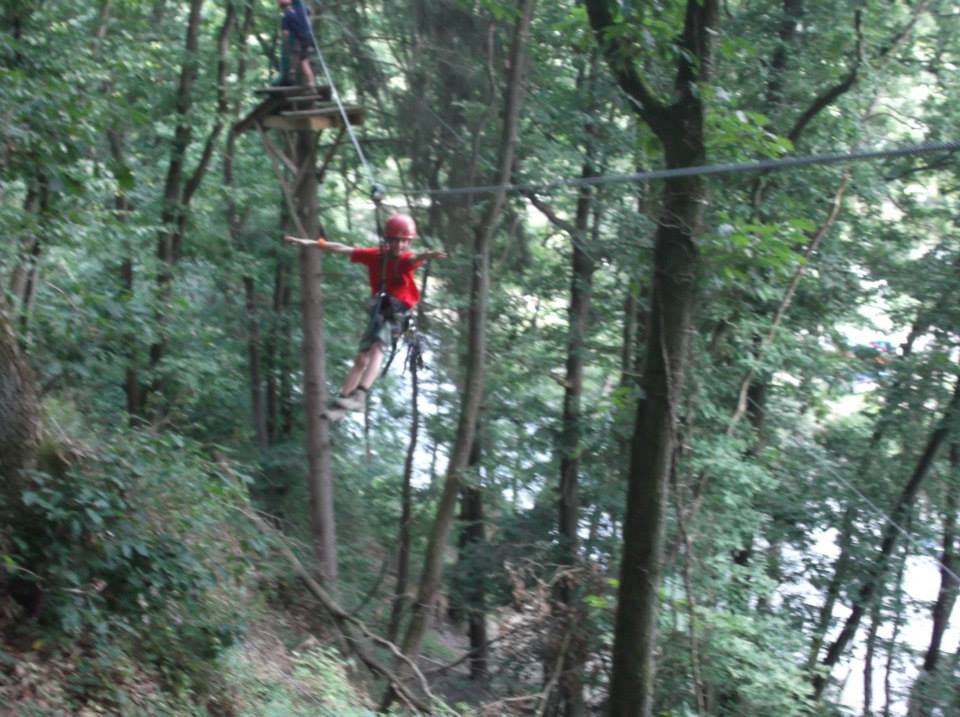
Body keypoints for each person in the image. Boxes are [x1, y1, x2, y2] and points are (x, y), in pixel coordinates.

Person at [284, 214, 448, 412]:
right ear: (387, 240)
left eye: (404, 241)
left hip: (397, 314)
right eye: (395, 241)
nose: (400, 246)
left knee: (378, 348)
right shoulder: (374, 256)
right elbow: (340, 248)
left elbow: (414, 258)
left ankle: (360, 395)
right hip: (380, 311)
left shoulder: (405, 260)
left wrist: (427, 256)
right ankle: (342, 402)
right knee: (361, 358)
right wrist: (307, 242)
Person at [276, 0, 317, 89]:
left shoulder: (286, 17)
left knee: (299, 59)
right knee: (302, 58)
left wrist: (286, 44)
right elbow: (308, 14)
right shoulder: (300, 9)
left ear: (281, 8)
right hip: (309, 37)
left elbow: (286, 33)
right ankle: (308, 81)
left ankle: (296, 77)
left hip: (302, 40)